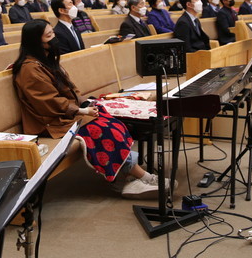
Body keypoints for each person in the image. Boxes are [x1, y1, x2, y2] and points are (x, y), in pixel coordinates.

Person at [11, 20, 161, 199]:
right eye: (49, 36)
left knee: (112, 121)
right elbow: (48, 102)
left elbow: (71, 89)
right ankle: (142, 176)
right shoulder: (30, 68)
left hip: (66, 113)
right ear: (36, 41)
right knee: (103, 130)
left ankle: (129, 176)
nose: (54, 38)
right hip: (49, 121)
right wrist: (81, 112)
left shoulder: (45, 60)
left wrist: (86, 103)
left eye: (53, 33)